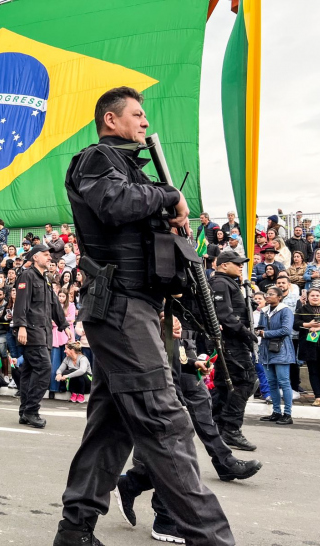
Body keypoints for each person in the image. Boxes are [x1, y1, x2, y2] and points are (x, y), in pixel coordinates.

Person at [55, 87, 233, 546]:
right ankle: (211, 538)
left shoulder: (133, 171)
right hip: (120, 309)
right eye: (137, 115)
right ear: (111, 120)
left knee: (111, 429)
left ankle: (74, 531)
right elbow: (114, 203)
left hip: (136, 310)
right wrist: (168, 195)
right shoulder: (96, 158)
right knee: (165, 422)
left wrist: (169, 219)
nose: (145, 123)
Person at [114, 314, 262, 543]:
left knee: (186, 438)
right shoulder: (155, 298)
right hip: (156, 375)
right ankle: (162, 515)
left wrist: (193, 362)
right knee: (171, 445)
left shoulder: (186, 296)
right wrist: (160, 325)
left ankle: (134, 486)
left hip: (181, 370)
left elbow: (179, 348)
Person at [13, 244, 70, 429]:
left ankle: (24, 412)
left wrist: (64, 325)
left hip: (43, 332)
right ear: (35, 257)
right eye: (45, 255)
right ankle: (31, 410)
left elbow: (54, 304)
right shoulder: (27, 275)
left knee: (29, 371)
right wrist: (21, 326)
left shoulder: (45, 278)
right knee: (45, 368)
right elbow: (20, 303)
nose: (49, 258)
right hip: (32, 331)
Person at [210, 251, 258, 452]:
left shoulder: (229, 283)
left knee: (224, 384)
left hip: (231, 342)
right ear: (223, 265)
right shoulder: (221, 283)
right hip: (231, 342)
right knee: (245, 381)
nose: (241, 267)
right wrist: (244, 332)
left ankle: (219, 426)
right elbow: (225, 315)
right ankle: (230, 428)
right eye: (236, 264)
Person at [257, 287, 295, 425]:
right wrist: (259, 331)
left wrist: (265, 334)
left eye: (271, 294)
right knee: (272, 382)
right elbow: (261, 327)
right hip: (267, 350)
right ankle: (276, 411)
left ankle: (288, 414)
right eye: (267, 294)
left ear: (279, 297)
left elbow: (286, 330)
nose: (267, 296)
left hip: (281, 350)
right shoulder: (264, 311)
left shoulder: (285, 310)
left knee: (284, 382)